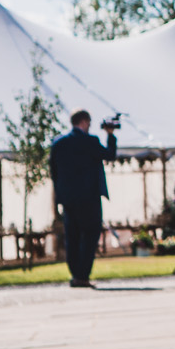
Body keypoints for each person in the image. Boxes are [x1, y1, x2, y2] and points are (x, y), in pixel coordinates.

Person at [48, 109, 119, 287]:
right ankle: (83, 274)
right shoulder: (90, 142)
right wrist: (110, 135)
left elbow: (53, 172)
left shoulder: (58, 144)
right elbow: (110, 154)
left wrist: (60, 194)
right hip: (90, 198)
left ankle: (75, 274)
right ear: (84, 122)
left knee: (72, 237)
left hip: (69, 199)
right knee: (90, 234)